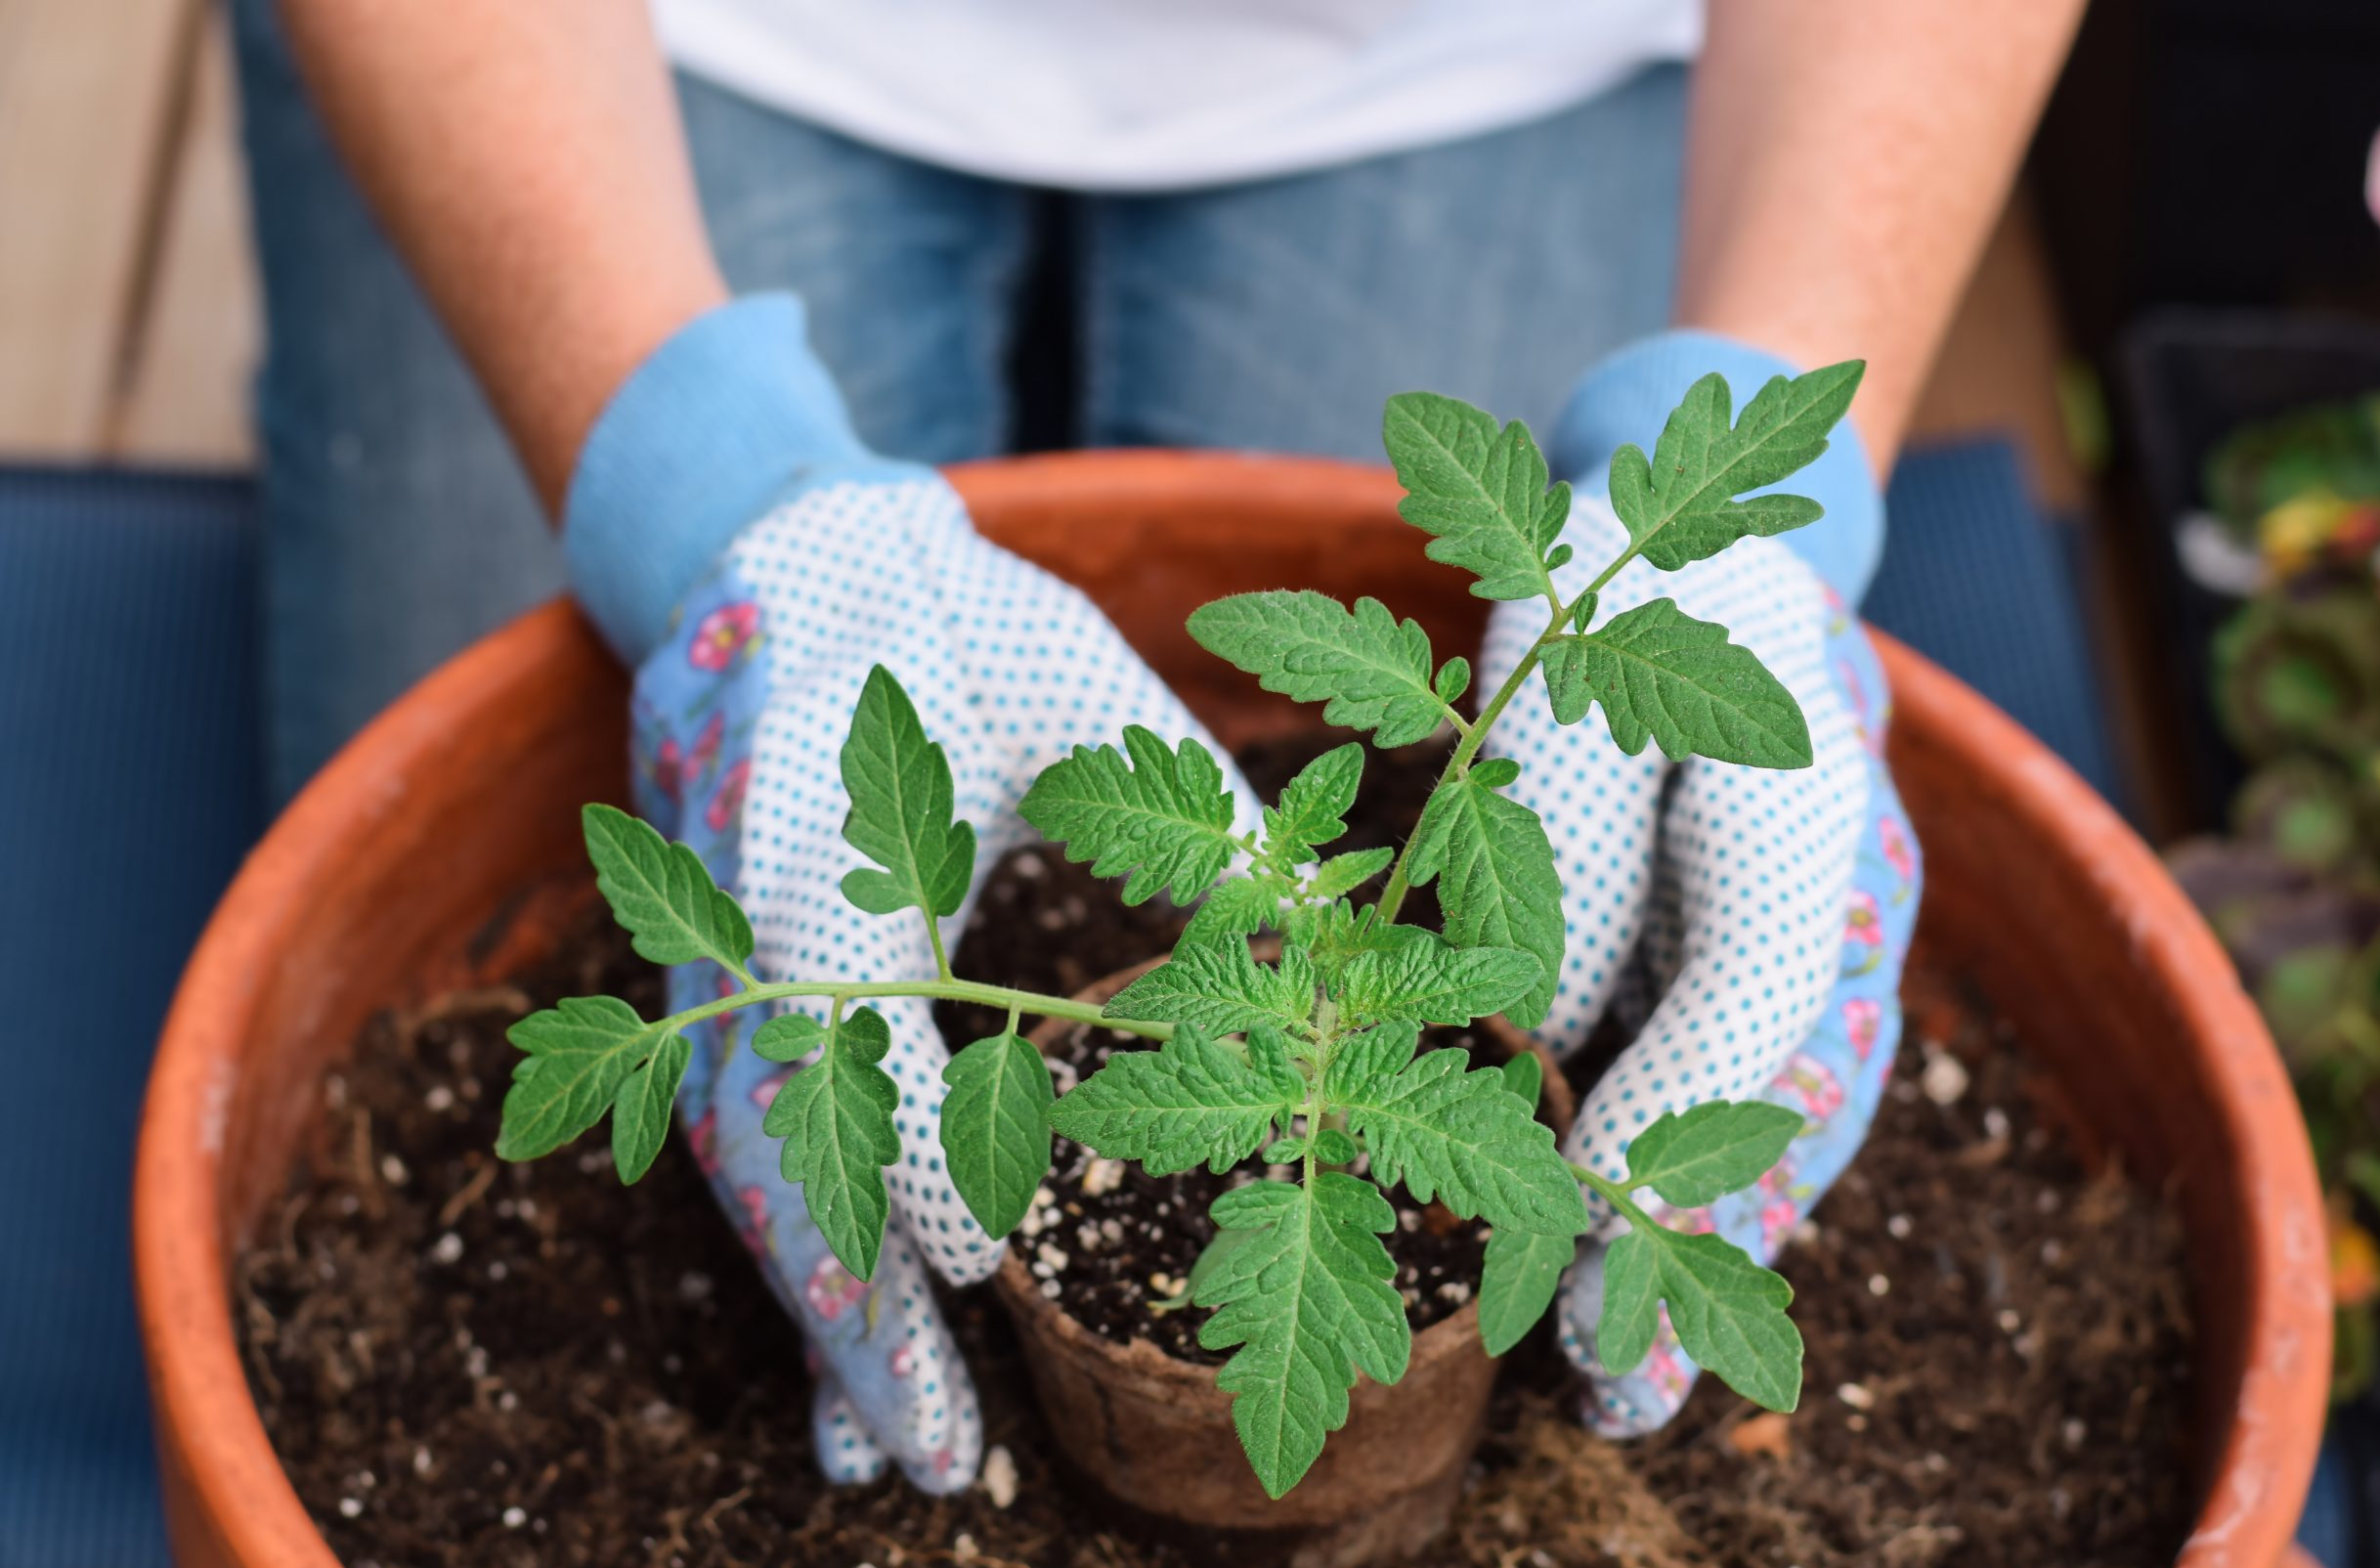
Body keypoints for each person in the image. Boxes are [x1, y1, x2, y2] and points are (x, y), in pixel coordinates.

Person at [238, 0, 2082, 1490]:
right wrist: (711, 490)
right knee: (523, 875)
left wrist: (1763, 461)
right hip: (653, 48)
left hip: (1498, 53)